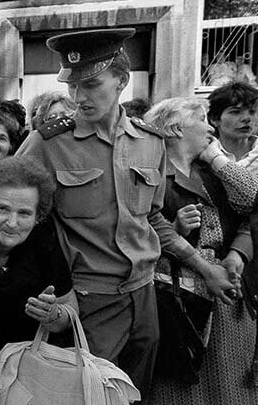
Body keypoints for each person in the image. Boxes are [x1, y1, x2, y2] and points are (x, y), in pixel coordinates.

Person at [15, 28, 196, 398]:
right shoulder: (46, 143)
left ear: (121, 81)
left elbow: (154, 218)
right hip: (85, 301)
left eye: (92, 83)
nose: (78, 97)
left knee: (134, 394)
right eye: (72, 85)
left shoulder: (151, 142)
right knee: (87, 396)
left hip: (144, 296)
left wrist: (206, 266)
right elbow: (13, 217)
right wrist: (57, 288)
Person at [144, 97, 258, 404]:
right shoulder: (153, 175)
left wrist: (237, 254)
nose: (211, 128)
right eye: (203, 120)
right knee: (183, 391)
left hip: (226, 296)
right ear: (177, 128)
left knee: (232, 389)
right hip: (178, 302)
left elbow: (254, 206)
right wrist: (175, 227)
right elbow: (144, 231)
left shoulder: (213, 173)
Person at [0, 156, 78, 369]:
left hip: (23, 373)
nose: (12, 223)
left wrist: (54, 315)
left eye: (25, 213)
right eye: (3, 209)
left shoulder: (44, 242)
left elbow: (69, 310)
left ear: (38, 216)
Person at [207, 82, 258, 175]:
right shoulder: (204, 157)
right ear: (214, 119)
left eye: (252, 112)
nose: (246, 118)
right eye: (235, 112)